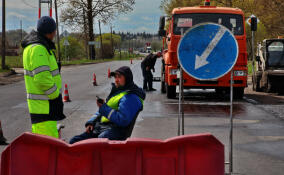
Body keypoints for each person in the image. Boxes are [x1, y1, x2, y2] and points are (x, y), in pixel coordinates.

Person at [69, 66, 145, 144]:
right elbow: (102, 111)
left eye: (119, 77)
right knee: (74, 141)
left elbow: (123, 120)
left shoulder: (130, 97)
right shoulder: (119, 92)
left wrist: (104, 108)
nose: (116, 80)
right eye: (115, 77)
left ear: (127, 79)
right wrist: (91, 122)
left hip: (112, 131)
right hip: (101, 127)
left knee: (83, 145)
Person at [22, 16, 66, 138]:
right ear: (51, 32)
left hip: (43, 108)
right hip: (45, 108)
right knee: (48, 150)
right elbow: (42, 79)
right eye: (55, 31)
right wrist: (55, 96)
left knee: (43, 148)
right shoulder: (39, 49)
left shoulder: (35, 46)